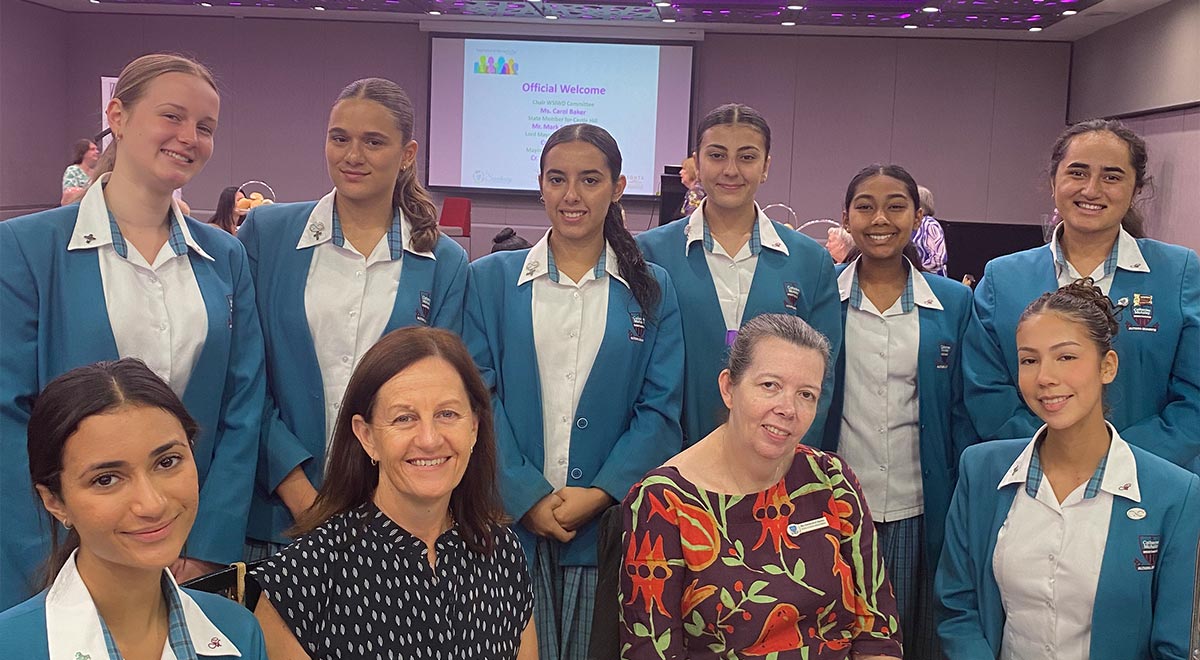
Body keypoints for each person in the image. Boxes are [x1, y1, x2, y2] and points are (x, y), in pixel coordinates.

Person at [0, 53, 265, 609]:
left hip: (185, 551)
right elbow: (8, 417)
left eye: (205, 127)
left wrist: (207, 540)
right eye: (172, 116)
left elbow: (242, 406)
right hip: (62, 555)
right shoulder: (26, 249)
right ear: (117, 116)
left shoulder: (225, 256)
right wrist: (51, 551)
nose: (188, 137)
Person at [464, 123, 684, 659]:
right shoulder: (489, 279)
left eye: (590, 180)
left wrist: (600, 492)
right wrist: (525, 496)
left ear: (618, 187)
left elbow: (660, 410)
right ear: (539, 184)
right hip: (505, 525)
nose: (572, 195)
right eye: (557, 179)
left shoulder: (651, 288)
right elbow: (475, 398)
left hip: (607, 529)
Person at [238, 77, 469, 558]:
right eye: (339, 137)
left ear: (407, 154)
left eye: (373, 142)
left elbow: (439, 398)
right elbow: (244, 379)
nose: (352, 155)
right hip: (276, 516)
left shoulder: (443, 264)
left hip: (393, 519)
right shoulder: (267, 235)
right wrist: (297, 490)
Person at [937, 280, 1200, 660]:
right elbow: (958, 608)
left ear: (1107, 366)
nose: (1045, 377)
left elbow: (1175, 643)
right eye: (1029, 360)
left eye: (1066, 357)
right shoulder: (981, 471)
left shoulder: (1175, 494)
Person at [621, 314, 902, 659]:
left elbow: (878, 633)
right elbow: (652, 650)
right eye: (770, 385)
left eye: (806, 394)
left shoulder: (832, 479)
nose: (788, 409)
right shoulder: (663, 501)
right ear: (728, 388)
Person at [250, 327, 536, 659]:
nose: (429, 439)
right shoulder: (304, 575)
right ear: (366, 435)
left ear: (474, 427)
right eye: (404, 418)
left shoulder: (502, 552)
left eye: (447, 414)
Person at [964, 119, 1200, 473]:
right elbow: (986, 391)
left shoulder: (1178, 272)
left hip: (1150, 481)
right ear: (1053, 182)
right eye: (1077, 172)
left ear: (1136, 189)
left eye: (1112, 176)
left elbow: (1194, 398)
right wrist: (1058, 457)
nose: (1092, 189)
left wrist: (1115, 461)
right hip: (1034, 481)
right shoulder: (1003, 278)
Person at [0, 359, 267, 659]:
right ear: (55, 501)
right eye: (106, 479)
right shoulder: (11, 646)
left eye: (167, 462)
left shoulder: (239, 632)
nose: (151, 504)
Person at [820, 164, 974, 659]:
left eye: (895, 206)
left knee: (906, 638)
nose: (879, 218)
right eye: (864, 206)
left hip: (918, 503)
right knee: (836, 633)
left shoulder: (953, 303)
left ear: (917, 215)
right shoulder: (822, 298)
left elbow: (962, 411)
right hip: (836, 506)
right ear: (845, 216)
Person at [637, 103, 841, 447]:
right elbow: (639, 373)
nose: (731, 170)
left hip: (775, 463)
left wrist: (790, 456)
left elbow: (823, 378)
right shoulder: (650, 253)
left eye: (747, 157)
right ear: (697, 163)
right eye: (717, 156)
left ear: (765, 167)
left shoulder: (811, 262)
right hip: (672, 464)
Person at [912, 185, 948, 276]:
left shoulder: (930, 225)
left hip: (931, 280)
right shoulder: (911, 223)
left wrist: (917, 272)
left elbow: (938, 259)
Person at [60, 138, 100, 206]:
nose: (97, 152)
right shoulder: (73, 170)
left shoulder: (97, 172)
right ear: (83, 153)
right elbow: (69, 194)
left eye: (97, 149)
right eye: (92, 149)